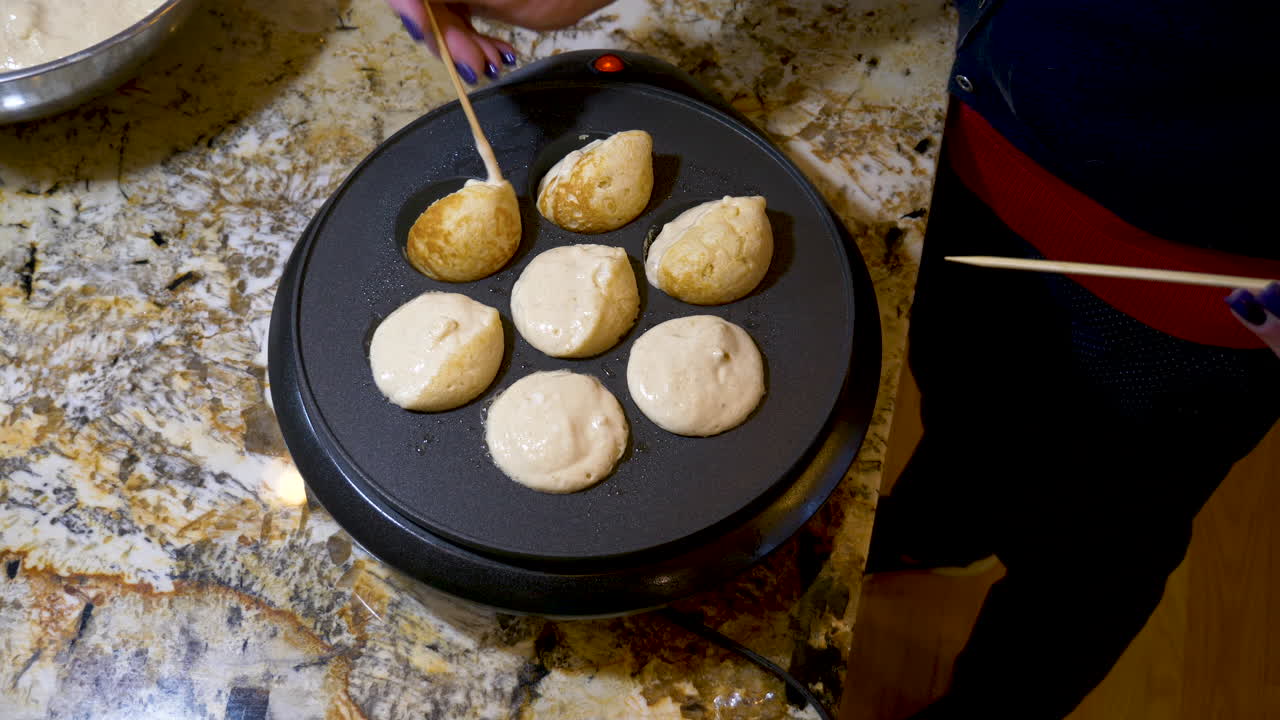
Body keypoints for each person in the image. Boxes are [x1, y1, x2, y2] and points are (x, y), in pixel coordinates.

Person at [385, 1, 1280, 717]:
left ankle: (1007, 700)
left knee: (1091, 539)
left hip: (1199, 287)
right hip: (990, 140)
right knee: (971, 390)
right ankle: (942, 526)